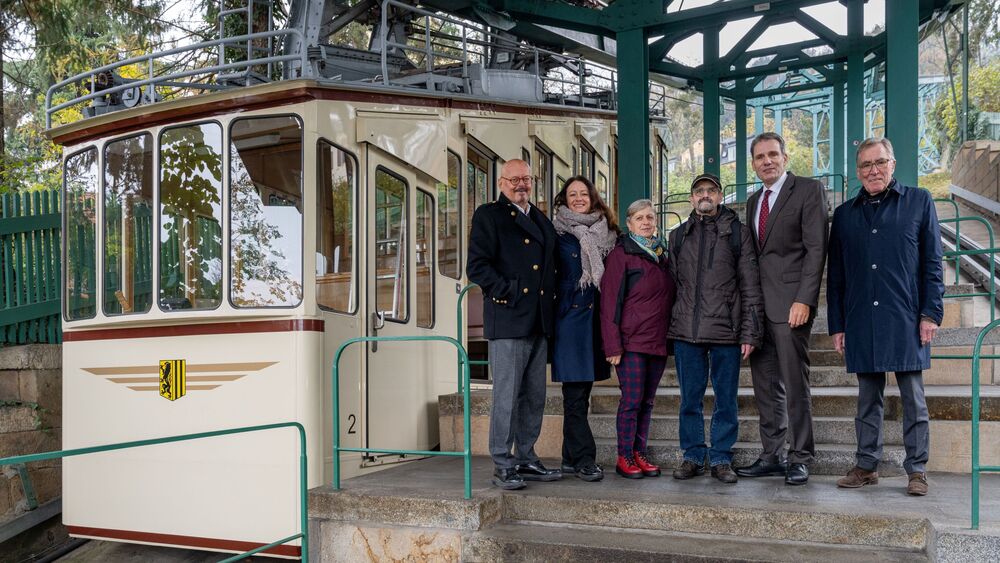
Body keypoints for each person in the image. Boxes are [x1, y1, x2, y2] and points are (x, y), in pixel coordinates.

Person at [828, 137, 944, 496]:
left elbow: (932, 263)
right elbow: (837, 276)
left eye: (880, 162)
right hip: (862, 317)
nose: (873, 170)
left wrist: (930, 313)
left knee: (913, 396)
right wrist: (838, 325)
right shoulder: (845, 214)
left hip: (906, 316)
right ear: (858, 171)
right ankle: (866, 465)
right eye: (866, 165)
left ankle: (917, 470)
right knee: (868, 398)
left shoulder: (919, 201)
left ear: (892, 164)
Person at [736, 132, 828, 486]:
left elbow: (816, 249)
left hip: (791, 306)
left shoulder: (807, 190)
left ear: (785, 157)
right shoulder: (752, 200)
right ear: (753, 163)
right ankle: (771, 453)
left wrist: (804, 299)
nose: (767, 161)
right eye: (760, 157)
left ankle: (801, 455)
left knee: (794, 383)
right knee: (765, 385)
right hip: (760, 308)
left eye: (773, 154)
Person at [467, 158, 561, 490]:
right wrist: (507, 291)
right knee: (506, 396)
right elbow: (477, 266)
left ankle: (525, 456)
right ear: (501, 183)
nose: (521, 184)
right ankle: (502, 463)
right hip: (509, 318)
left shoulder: (539, 218)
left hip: (538, 319)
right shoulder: (489, 215)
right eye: (514, 179)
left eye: (526, 179)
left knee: (534, 395)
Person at [667, 173, 763, 484]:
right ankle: (693, 454)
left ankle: (721, 456)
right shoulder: (678, 236)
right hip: (687, 332)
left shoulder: (739, 233)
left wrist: (750, 332)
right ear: (691, 198)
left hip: (727, 331)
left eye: (711, 190)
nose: (705, 195)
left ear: (720, 196)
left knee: (726, 398)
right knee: (689, 399)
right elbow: (671, 286)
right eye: (699, 191)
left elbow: (750, 285)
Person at [600, 199, 676, 479]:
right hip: (630, 343)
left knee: (647, 402)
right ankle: (624, 456)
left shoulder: (662, 254)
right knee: (631, 400)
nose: (646, 222)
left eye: (650, 217)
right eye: (639, 218)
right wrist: (612, 344)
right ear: (629, 224)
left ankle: (639, 452)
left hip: (657, 341)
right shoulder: (622, 254)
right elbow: (610, 301)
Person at [551, 176, 619, 482]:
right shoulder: (557, 233)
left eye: (583, 193)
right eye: (571, 194)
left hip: (595, 322)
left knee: (581, 393)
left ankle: (569, 457)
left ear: (593, 197)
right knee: (574, 396)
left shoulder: (609, 233)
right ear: (564, 200)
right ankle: (584, 459)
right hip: (569, 321)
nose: (578, 198)